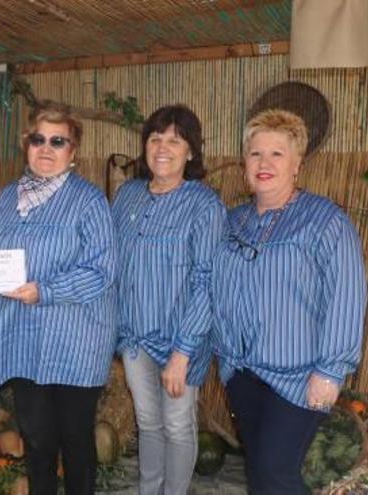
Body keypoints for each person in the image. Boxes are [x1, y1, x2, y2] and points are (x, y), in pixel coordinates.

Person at [212, 109, 366, 494]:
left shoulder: (325, 221)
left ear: (297, 164)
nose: (264, 163)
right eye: (255, 154)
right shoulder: (233, 222)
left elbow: (346, 295)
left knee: (275, 473)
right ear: (244, 162)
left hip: (298, 376)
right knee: (261, 474)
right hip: (241, 371)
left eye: (277, 154)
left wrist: (331, 370)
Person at [0, 102, 117, 494]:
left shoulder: (89, 201)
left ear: (73, 152)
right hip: (24, 340)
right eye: (38, 139)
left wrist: (44, 291)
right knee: (36, 441)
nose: (47, 148)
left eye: (58, 141)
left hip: (73, 341)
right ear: (26, 144)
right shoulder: (5, 200)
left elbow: (101, 271)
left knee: (76, 443)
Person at [112, 105, 224, 495]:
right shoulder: (126, 196)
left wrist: (182, 352)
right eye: (156, 138)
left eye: (175, 140)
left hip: (180, 340)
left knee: (177, 424)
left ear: (191, 152)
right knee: (147, 422)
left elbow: (206, 280)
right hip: (134, 337)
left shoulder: (204, 204)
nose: (162, 147)